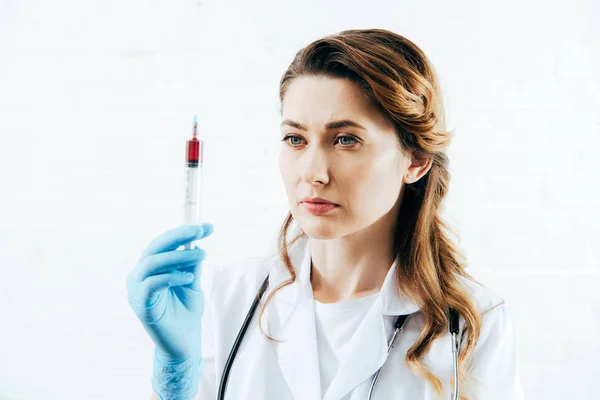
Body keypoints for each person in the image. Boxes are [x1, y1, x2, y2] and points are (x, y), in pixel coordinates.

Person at [126, 28, 525, 400]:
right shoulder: (231, 295)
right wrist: (176, 375)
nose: (313, 173)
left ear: (416, 160)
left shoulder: (472, 324)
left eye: (346, 140)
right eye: (295, 139)